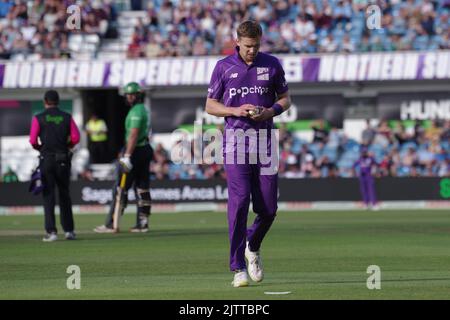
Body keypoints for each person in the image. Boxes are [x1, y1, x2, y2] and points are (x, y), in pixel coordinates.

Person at [205, 20, 291, 287]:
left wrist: (269, 112)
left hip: (265, 142)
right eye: (247, 46)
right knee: (240, 202)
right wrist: (234, 110)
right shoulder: (223, 67)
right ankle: (237, 267)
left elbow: (285, 99)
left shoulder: (272, 64)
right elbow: (210, 105)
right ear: (238, 42)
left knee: (268, 209)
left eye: (256, 46)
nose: (252, 51)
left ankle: (252, 246)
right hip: (236, 142)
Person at [94, 82, 153, 233]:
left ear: (137, 95)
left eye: (131, 94)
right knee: (142, 188)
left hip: (134, 151)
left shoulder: (136, 111)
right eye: (127, 94)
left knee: (120, 188)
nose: (128, 97)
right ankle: (142, 223)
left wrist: (127, 155)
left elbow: (133, 134)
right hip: (144, 149)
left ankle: (111, 224)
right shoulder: (143, 109)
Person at [29, 90, 80, 242]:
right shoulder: (67, 117)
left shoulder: (39, 118)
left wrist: (41, 148)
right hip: (63, 159)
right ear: (58, 101)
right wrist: (67, 146)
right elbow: (76, 137)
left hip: (47, 160)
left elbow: (32, 140)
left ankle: (51, 232)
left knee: (48, 196)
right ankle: (69, 231)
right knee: (64, 195)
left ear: (45, 101)